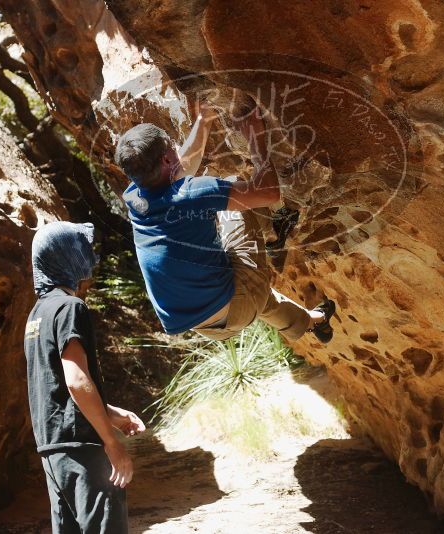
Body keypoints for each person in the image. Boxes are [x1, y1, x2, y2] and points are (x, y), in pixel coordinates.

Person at [115, 100, 335, 344]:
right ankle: (273, 233)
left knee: (249, 291)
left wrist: (204, 121)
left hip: (203, 323)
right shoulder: (194, 192)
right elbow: (268, 192)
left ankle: (315, 321)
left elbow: (179, 169)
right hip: (238, 303)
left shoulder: (135, 196)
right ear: (167, 160)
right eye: (172, 147)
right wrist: (256, 139)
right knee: (232, 189)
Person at [24, 221, 146, 534]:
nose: (89, 256)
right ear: (65, 255)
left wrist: (111, 413)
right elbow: (76, 380)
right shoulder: (70, 307)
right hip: (83, 449)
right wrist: (110, 441)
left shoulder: (37, 314)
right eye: (82, 247)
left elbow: (55, 390)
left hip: (53, 449)